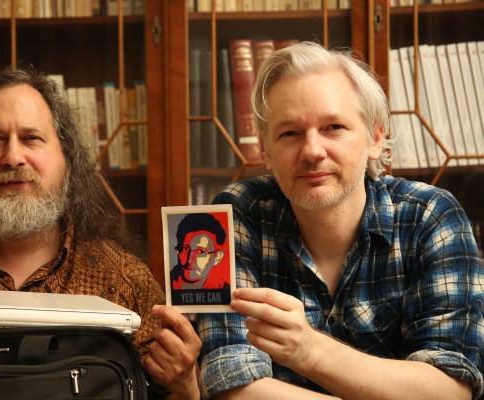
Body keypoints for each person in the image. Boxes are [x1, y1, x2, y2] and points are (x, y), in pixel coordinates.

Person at [0, 68, 201, 400]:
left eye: (31, 138)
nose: (13, 157)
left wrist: (186, 387)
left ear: (66, 160)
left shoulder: (125, 281)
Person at [196, 42, 484, 400]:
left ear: (375, 138)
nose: (312, 151)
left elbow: (449, 390)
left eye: (333, 127)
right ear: (265, 151)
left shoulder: (430, 216)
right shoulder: (235, 214)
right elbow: (231, 385)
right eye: (290, 133)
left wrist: (309, 350)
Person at [170, 213, 228, 290]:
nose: (189, 260)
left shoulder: (226, 292)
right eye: (185, 249)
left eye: (201, 252)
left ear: (218, 257)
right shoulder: (163, 284)